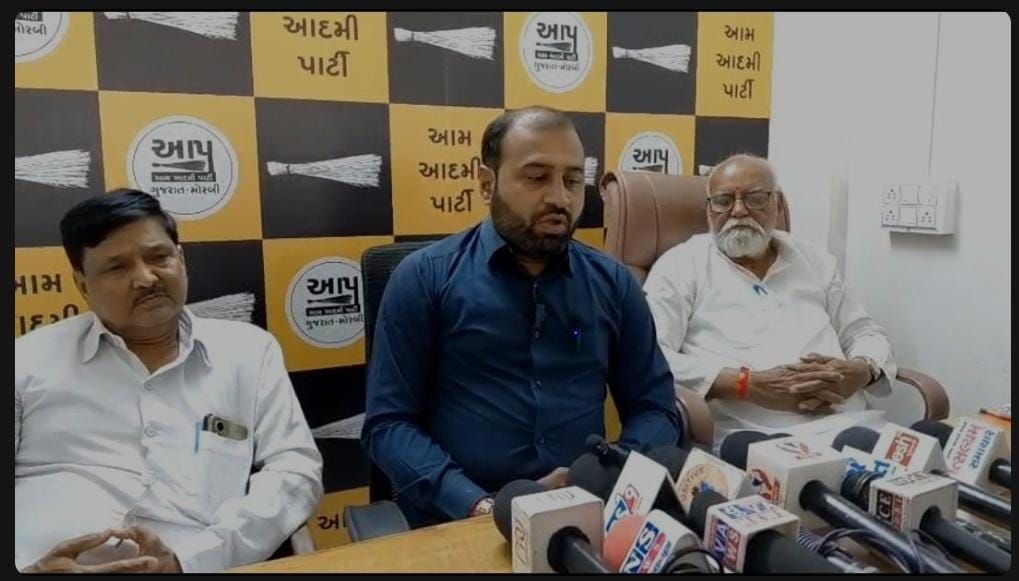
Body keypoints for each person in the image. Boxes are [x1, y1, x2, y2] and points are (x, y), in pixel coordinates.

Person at [362, 106, 682, 527]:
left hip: (585, 514)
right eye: (536, 178)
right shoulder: (424, 279)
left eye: (572, 180)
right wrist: (482, 506)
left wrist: (611, 474)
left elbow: (656, 409)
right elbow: (389, 425)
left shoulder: (614, 283)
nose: (560, 198)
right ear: (486, 183)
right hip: (461, 520)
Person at [15, 190, 323, 572]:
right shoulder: (25, 362)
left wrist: (187, 561)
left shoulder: (248, 352)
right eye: (117, 268)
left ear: (181, 259)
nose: (145, 279)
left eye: (159, 257)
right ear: (82, 285)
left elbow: (295, 470)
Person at [644, 154, 896, 445]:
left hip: (852, 426)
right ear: (709, 210)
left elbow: (864, 332)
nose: (739, 211)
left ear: (777, 203)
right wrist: (745, 384)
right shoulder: (681, 265)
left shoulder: (815, 260)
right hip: (755, 438)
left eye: (755, 198)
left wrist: (861, 370)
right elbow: (652, 355)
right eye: (723, 201)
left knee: (931, 445)